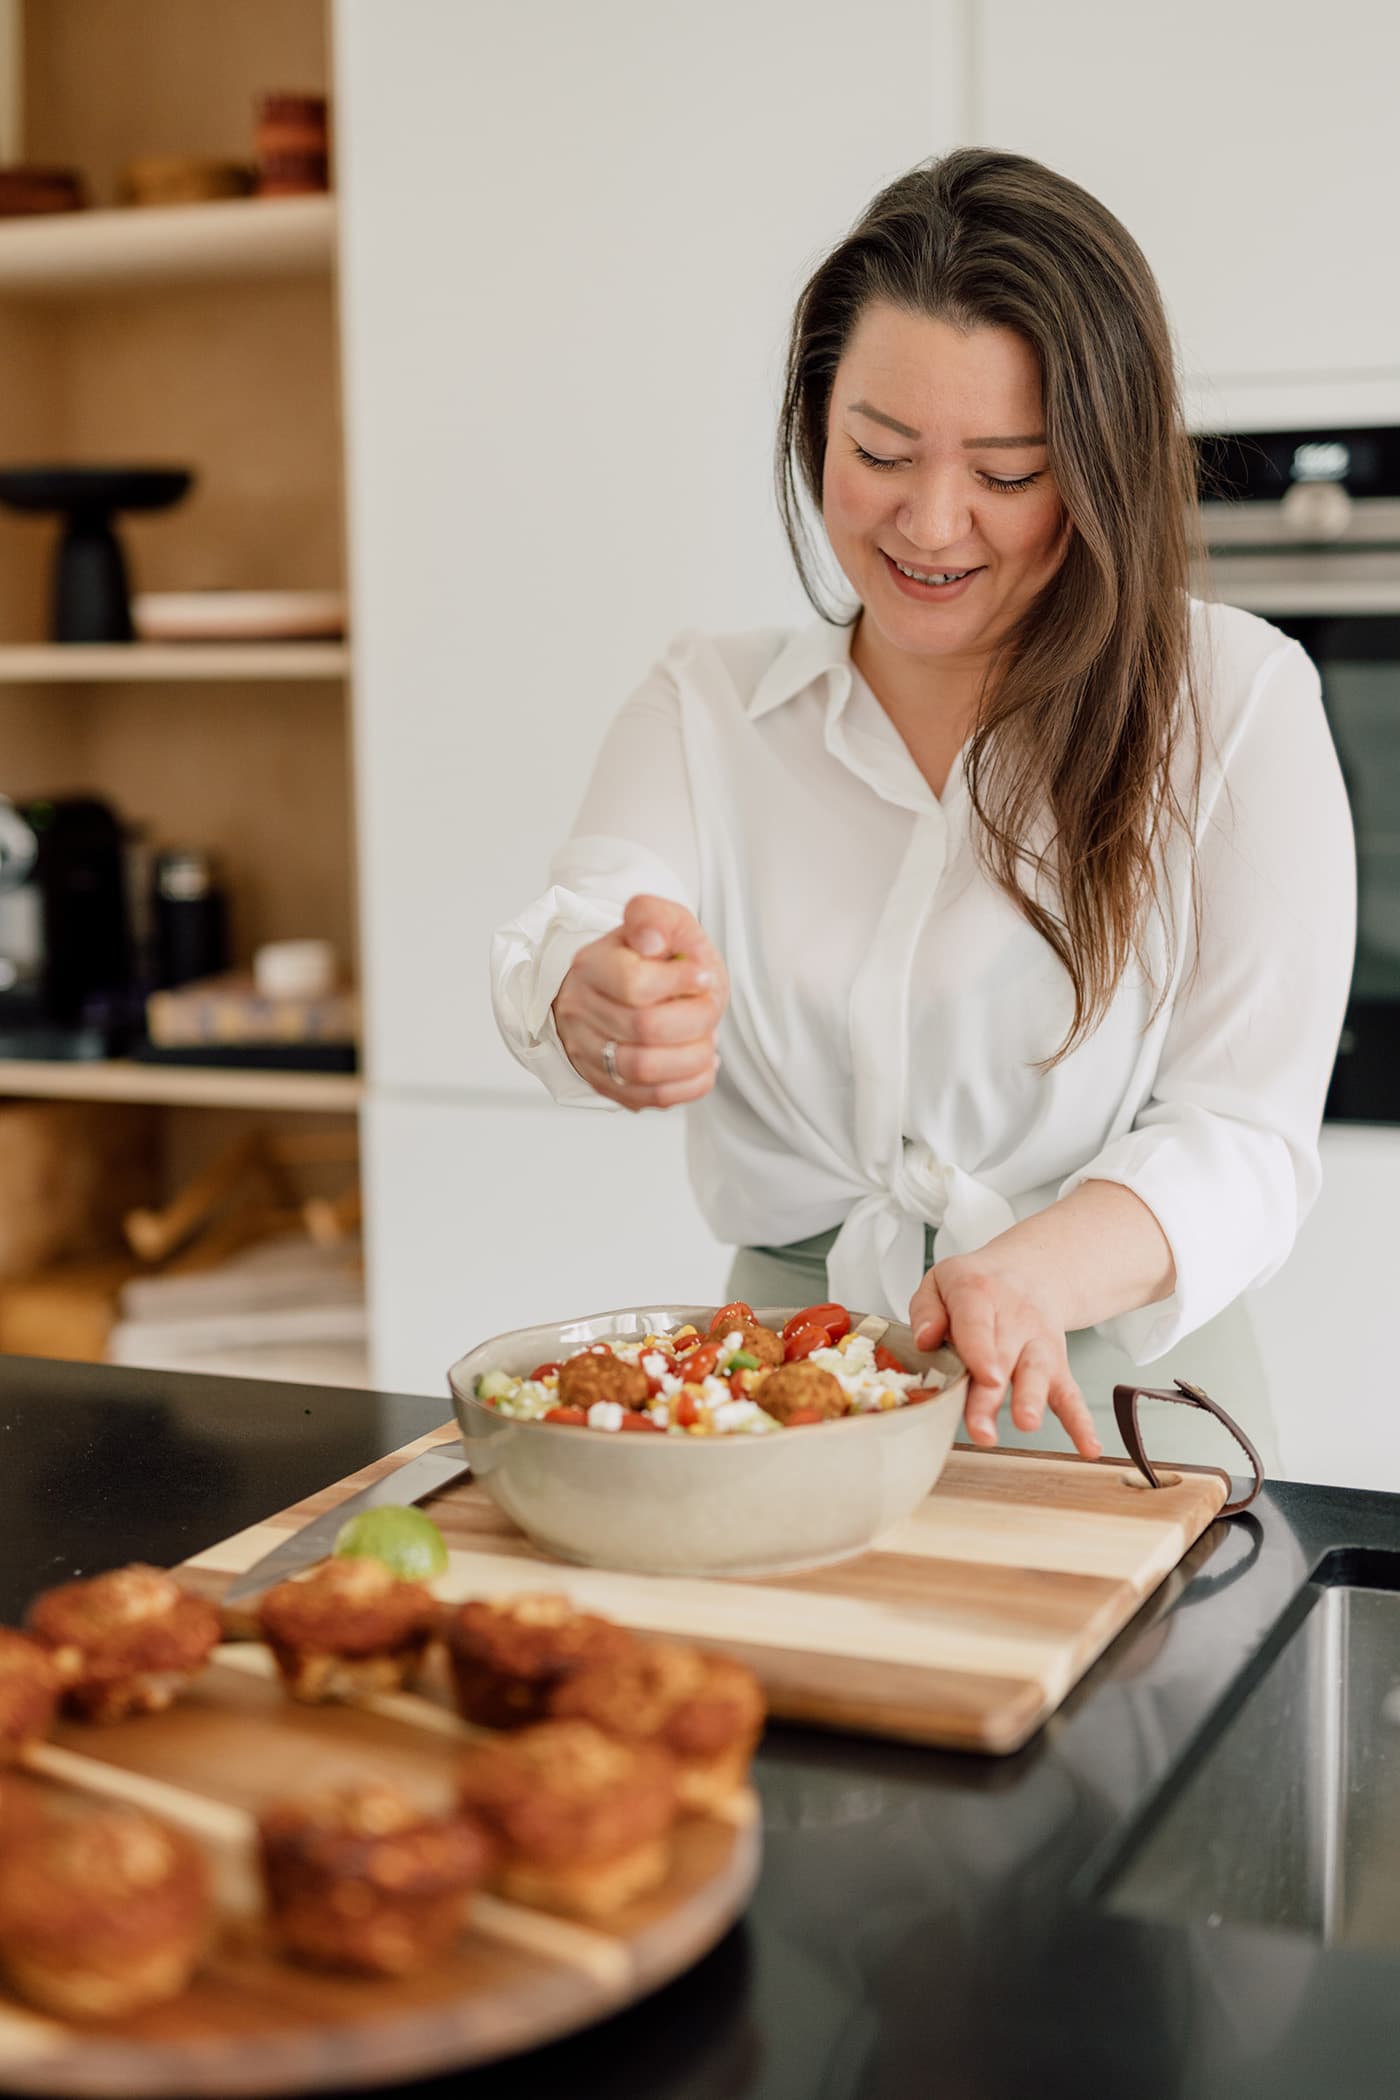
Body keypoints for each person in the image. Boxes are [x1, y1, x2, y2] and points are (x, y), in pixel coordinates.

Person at [491, 148, 1355, 1471]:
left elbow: (1246, 1133)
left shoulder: (1235, 702)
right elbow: (582, 925)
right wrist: (592, 993)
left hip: (1118, 1409)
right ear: (815, 425)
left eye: (1008, 473)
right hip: (767, 1406)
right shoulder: (708, 706)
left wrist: (1033, 1277)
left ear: (1100, 469)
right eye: (878, 452)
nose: (933, 523)